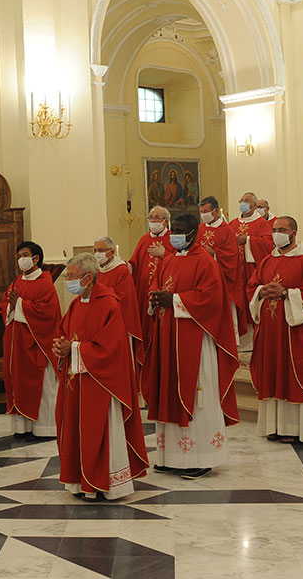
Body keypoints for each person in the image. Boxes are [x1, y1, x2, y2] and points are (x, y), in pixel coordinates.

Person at [143, 214, 240, 479]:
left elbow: (210, 299)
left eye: (180, 231)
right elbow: (156, 287)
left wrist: (173, 299)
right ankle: (171, 456)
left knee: (198, 398)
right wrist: (155, 298)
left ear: (194, 233)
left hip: (195, 342)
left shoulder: (206, 263)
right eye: (173, 229)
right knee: (169, 394)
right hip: (168, 339)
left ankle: (202, 457)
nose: (174, 235)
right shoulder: (169, 260)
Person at [51, 253, 149, 500]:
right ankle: (80, 481)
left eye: (71, 276)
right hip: (77, 382)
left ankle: (106, 483)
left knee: (100, 431)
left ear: (87, 277)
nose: (68, 280)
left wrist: (72, 349)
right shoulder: (75, 304)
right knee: (75, 429)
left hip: (101, 384)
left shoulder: (108, 304)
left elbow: (111, 348)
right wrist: (61, 347)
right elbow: (65, 333)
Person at [247, 217, 303, 444]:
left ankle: (296, 428)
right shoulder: (267, 261)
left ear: (293, 233)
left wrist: (287, 294)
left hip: (294, 331)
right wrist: (261, 292)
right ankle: (273, 425)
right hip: (270, 331)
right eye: (274, 230)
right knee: (273, 372)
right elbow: (251, 287)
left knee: (295, 374)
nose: (277, 234)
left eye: (282, 230)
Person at [2, 241, 61, 439]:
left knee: (41, 385)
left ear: (36, 259)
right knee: (19, 382)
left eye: (25, 255)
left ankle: (45, 428)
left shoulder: (45, 282)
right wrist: (12, 306)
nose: (21, 260)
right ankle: (23, 428)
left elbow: (47, 313)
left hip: (37, 344)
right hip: (17, 342)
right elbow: (7, 303)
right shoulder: (18, 281)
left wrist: (19, 304)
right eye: (19, 256)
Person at [94, 236, 144, 384]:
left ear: (111, 252)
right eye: (95, 250)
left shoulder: (121, 269)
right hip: (99, 322)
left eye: (101, 250)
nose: (97, 254)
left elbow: (123, 297)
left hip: (118, 322)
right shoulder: (96, 270)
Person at [229, 192, 273, 351]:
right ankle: (238, 340)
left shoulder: (262, 223)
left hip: (252, 271)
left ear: (254, 206)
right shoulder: (233, 223)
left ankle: (253, 341)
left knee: (250, 301)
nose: (243, 203)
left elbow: (268, 244)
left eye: (246, 201)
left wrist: (247, 240)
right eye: (241, 201)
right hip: (235, 272)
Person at [129, 205, 175, 348]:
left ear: (166, 221)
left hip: (163, 291)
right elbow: (134, 264)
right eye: (151, 218)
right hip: (144, 292)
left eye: (157, 218)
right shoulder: (144, 239)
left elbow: (180, 264)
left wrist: (165, 254)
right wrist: (124, 265)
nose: (153, 221)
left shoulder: (173, 238)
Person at [197, 196, 241, 344]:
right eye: (201, 211)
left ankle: (228, 340)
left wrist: (214, 253)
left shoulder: (226, 230)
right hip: (204, 277)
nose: (203, 215)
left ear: (215, 212)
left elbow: (232, 256)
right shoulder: (200, 228)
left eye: (206, 211)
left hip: (222, 277)